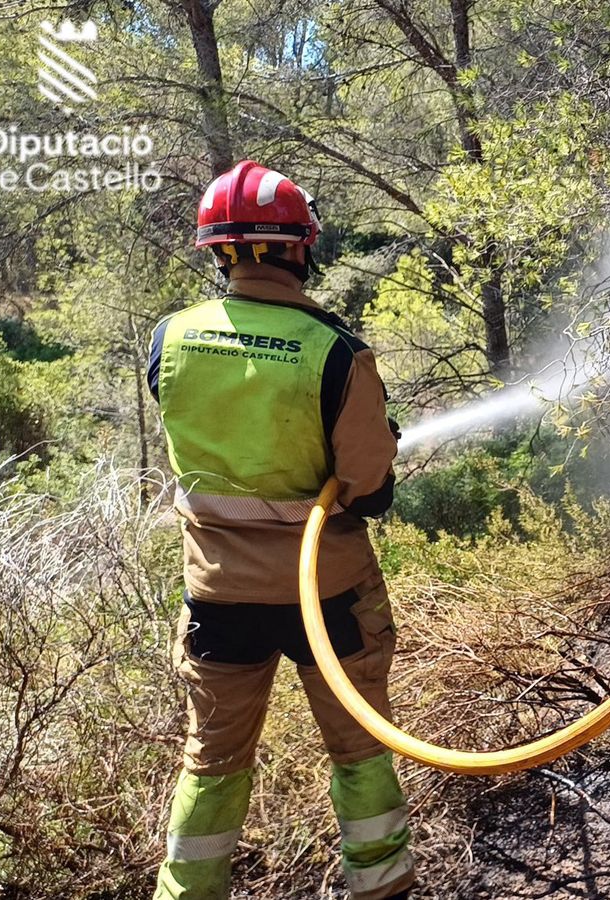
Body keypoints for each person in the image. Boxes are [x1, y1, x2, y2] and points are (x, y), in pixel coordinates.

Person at [149, 161, 415, 900]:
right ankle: (381, 886)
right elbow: (366, 488)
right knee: (361, 750)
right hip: (327, 597)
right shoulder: (335, 350)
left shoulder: (169, 339)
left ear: (220, 252)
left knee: (212, 761)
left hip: (219, 597)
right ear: (303, 248)